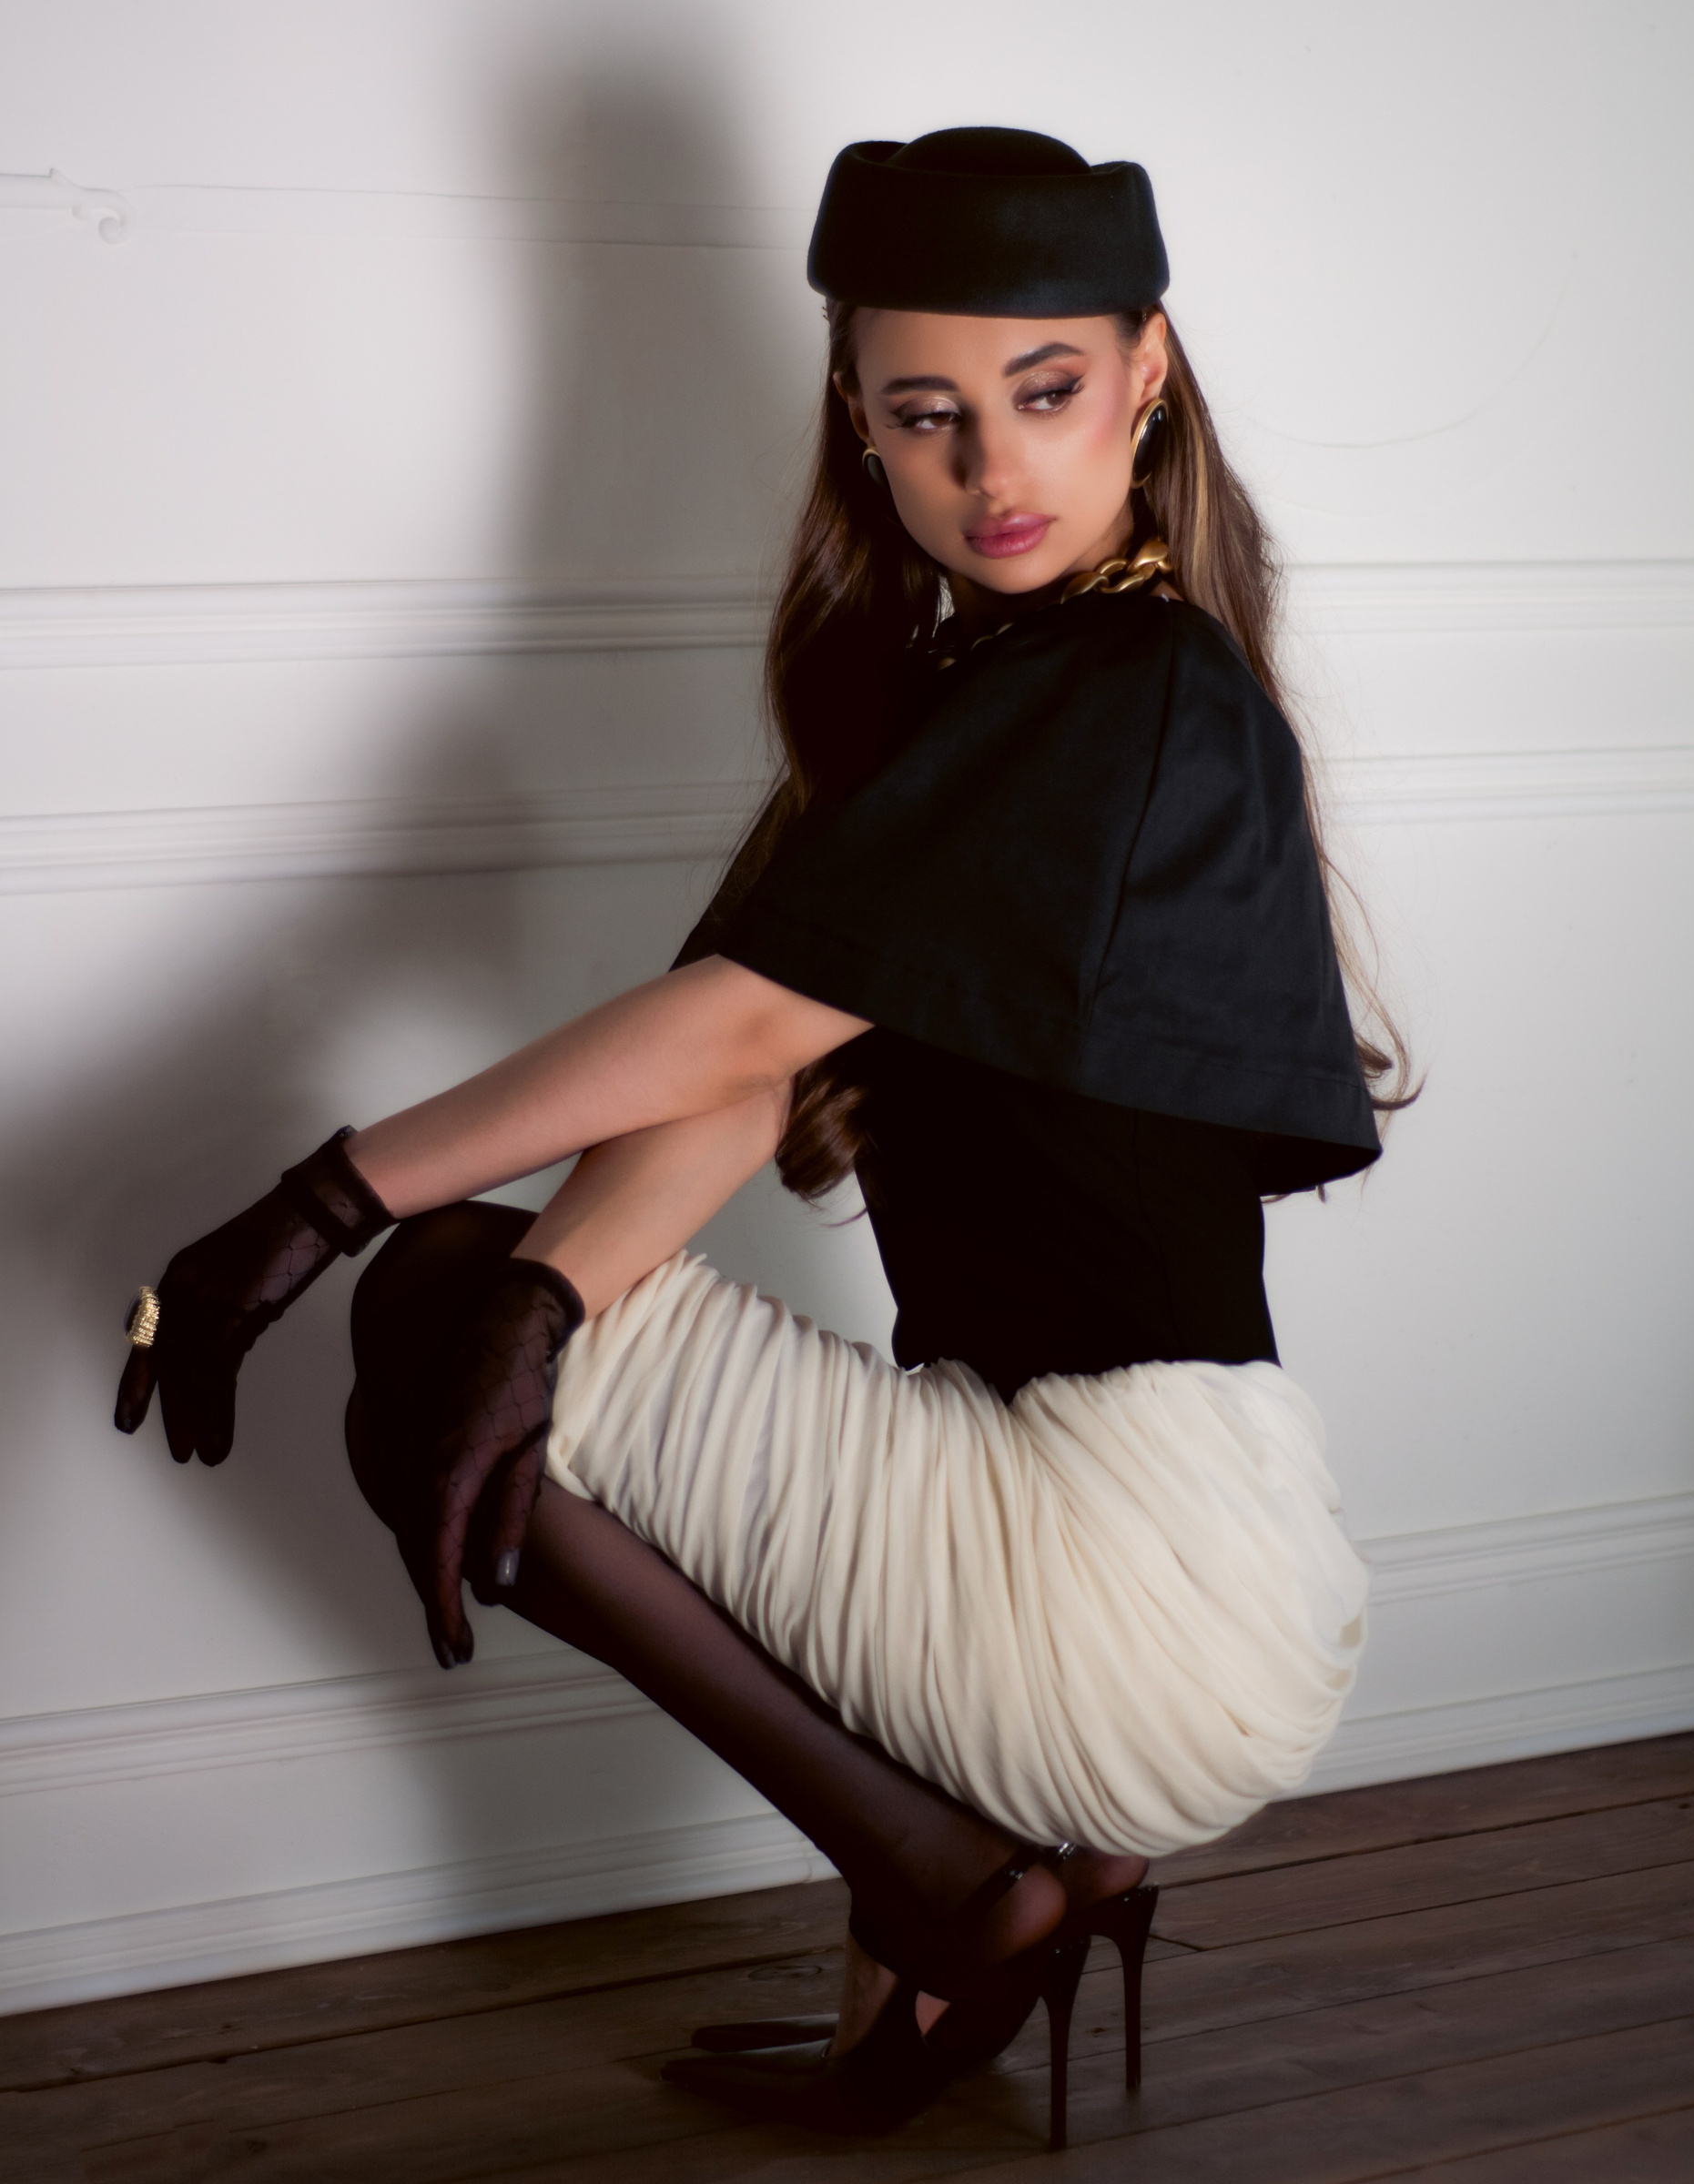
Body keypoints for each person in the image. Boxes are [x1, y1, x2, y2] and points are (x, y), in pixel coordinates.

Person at [114, 126, 1409, 2147]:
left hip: (1128, 1566)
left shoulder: (1128, 680)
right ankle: (946, 1923)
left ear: (1147, 374)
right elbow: (731, 1076)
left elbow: (730, 1027)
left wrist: (323, 1212)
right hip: (1158, 1549)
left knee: (436, 1290)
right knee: (485, 1311)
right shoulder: (1001, 686)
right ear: (861, 422)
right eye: (930, 412)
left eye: (1047, 392)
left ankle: (957, 1890)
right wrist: (543, 1307)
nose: (993, 466)